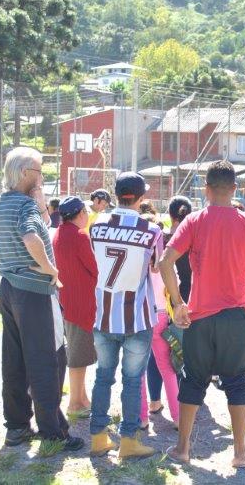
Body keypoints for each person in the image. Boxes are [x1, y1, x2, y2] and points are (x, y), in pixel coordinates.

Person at [160, 160, 245, 468]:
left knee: (193, 380)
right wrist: (243, 291)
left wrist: (178, 303)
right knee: (237, 383)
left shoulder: (194, 221)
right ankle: (240, 453)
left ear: (205, 189)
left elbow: (165, 262)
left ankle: (182, 449)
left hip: (199, 316)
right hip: (236, 315)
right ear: (235, 189)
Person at [0, 147, 83, 451]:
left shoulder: (0, 204)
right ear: (25, 173)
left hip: (9, 287)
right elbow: (31, 236)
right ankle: (53, 432)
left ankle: (17, 426)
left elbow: (10, 235)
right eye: (39, 171)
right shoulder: (24, 206)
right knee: (47, 359)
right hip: (35, 291)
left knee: (14, 360)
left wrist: (40, 202)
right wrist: (51, 269)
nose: (42, 177)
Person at [88, 172, 161, 459]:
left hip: (104, 314)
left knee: (103, 377)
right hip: (137, 318)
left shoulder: (96, 224)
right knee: (132, 381)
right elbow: (155, 268)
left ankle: (98, 436)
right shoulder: (151, 230)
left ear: (116, 194)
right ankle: (129, 440)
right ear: (141, 197)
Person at [51, 197, 97, 419]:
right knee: (79, 356)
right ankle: (75, 403)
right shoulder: (79, 236)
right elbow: (94, 268)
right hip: (81, 302)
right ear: (80, 214)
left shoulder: (59, 233)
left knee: (78, 353)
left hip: (67, 300)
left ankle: (82, 398)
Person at [146, 196, 193, 415]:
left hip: (164, 304)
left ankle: (154, 401)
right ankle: (185, 401)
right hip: (188, 303)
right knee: (183, 354)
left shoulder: (160, 239)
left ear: (171, 215)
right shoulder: (194, 240)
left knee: (157, 357)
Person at [137, 212, 180, 427]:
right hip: (162, 317)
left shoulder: (136, 261)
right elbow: (175, 287)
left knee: (138, 371)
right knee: (168, 370)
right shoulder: (166, 263)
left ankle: (142, 418)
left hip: (139, 317)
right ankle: (178, 417)